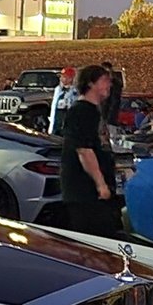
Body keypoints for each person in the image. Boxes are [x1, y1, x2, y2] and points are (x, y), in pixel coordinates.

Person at [58, 64, 119, 237]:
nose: (109, 85)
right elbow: (84, 150)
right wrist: (101, 185)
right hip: (84, 191)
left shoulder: (94, 111)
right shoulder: (81, 111)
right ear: (91, 83)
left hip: (95, 191)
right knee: (93, 238)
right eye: (105, 80)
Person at [47, 67, 79, 135]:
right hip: (56, 123)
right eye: (61, 77)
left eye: (64, 77)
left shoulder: (75, 92)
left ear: (70, 79)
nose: (61, 79)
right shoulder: (58, 89)